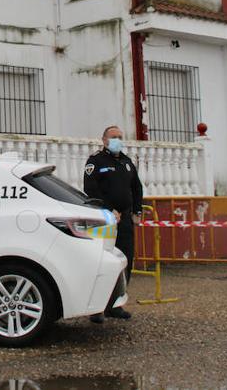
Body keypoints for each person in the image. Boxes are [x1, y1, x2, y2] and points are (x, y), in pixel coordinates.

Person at [83, 124, 143, 321]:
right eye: (113, 136)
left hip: (125, 220)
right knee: (102, 263)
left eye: (120, 136)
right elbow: (91, 189)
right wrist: (109, 209)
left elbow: (136, 187)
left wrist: (137, 210)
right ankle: (96, 309)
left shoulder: (126, 162)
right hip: (104, 219)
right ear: (104, 140)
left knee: (125, 260)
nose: (117, 139)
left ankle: (116, 304)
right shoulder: (96, 161)